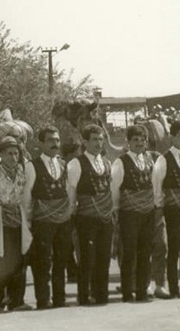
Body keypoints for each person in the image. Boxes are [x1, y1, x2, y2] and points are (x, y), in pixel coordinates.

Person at [0, 136, 33, 312]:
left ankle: (16, 300)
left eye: (16, 153)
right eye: (9, 153)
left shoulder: (22, 174)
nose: (13, 157)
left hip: (17, 222)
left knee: (19, 262)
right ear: (1, 154)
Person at [24, 126, 71, 309]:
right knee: (43, 261)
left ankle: (60, 299)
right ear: (41, 143)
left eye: (57, 140)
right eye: (50, 140)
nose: (55, 144)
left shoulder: (63, 164)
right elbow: (27, 196)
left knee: (61, 259)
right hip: (41, 220)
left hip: (62, 220)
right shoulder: (32, 165)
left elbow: (67, 191)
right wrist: (28, 221)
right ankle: (43, 299)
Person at [67, 124, 113, 305]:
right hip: (85, 218)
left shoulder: (107, 163)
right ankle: (84, 296)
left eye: (101, 139)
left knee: (104, 257)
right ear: (84, 141)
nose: (98, 143)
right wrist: (72, 215)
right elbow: (71, 192)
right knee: (87, 258)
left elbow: (109, 190)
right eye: (94, 139)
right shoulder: (76, 164)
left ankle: (101, 295)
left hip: (105, 218)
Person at [111, 124, 157, 303]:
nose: (139, 143)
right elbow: (114, 189)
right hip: (129, 213)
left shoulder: (150, 160)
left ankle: (142, 292)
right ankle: (127, 293)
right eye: (135, 140)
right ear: (128, 142)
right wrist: (116, 210)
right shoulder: (120, 162)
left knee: (145, 252)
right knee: (129, 253)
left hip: (148, 213)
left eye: (142, 140)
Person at [152, 118, 180, 298]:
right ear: (172, 137)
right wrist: (159, 207)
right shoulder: (163, 160)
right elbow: (157, 186)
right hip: (172, 210)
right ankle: (174, 288)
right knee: (174, 249)